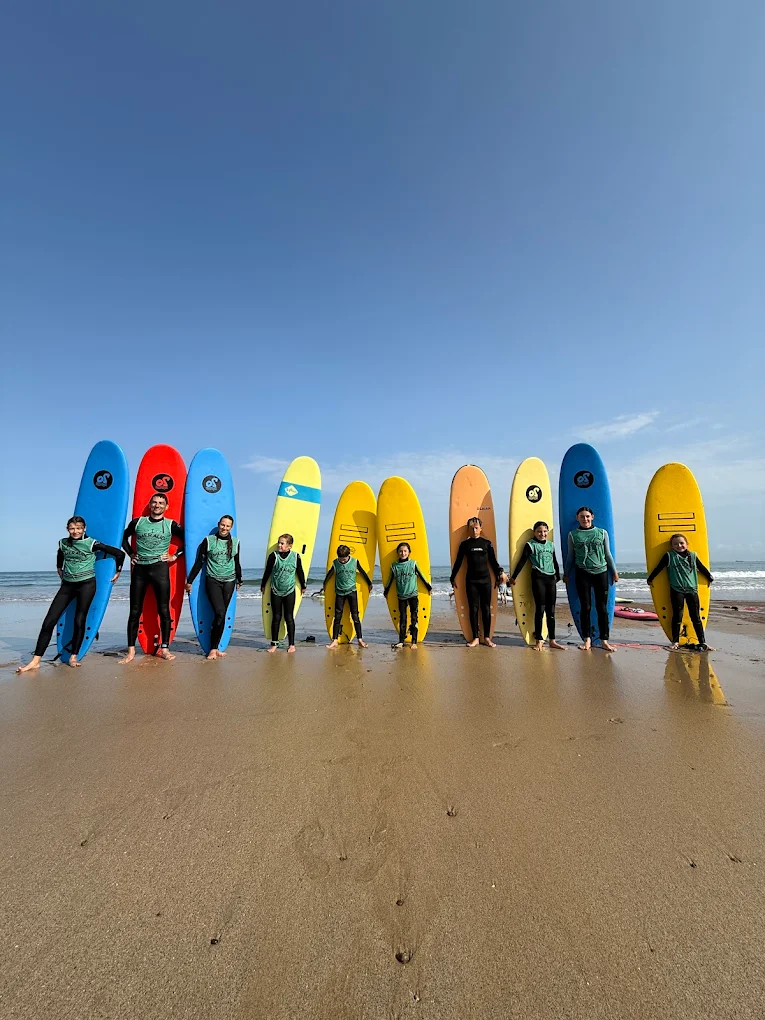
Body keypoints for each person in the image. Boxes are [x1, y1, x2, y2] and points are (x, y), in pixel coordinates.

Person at [17, 516, 125, 672]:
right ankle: (36, 661)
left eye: (79, 528)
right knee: (49, 621)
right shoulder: (63, 543)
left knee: (79, 620)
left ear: (84, 528)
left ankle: (73, 656)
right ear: (67, 529)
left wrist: (118, 571)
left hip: (87, 585)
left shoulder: (92, 544)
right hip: (67, 585)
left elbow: (119, 554)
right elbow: (60, 553)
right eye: (72, 528)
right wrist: (59, 568)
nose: (75, 531)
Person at [119, 493, 184, 663]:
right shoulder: (138, 522)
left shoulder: (171, 525)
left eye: (161, 503)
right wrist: (130, 553)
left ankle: (165, 648)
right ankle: (131, 651)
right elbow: (122, 537)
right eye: (154, 502)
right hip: (140, 570)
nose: (157, 505)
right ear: (149, 504)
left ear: (166, 507)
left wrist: (175, 556)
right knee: (135, 611)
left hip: (160, 569)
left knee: (164, 610)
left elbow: (189, 541)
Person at [184, 515, 242, 659]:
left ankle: (216, 648)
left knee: (221, 615)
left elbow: (237, 562)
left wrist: (239, 580)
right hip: (213, 581)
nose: (224, 528)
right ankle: (212, 649)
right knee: (220, 612)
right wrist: (189, 581)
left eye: (227, 526)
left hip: (229, 581)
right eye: (223, 525)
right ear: (218, 524)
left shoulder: (236, 542)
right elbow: (199, 562)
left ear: (231, 528)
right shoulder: (208, 541)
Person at [563, 506, 619, 653]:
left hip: (601, 572)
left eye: (587, 516)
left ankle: (604, 640)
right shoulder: (573, 535)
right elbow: (570, 557)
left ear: (592, 517)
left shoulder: (602, 533)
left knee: (602, 608)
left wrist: (614, 572)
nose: (585, 519)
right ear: (577, 518)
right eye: (582, 516)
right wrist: (566, 573)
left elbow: (608, 553)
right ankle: (587, 639)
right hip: (582, 573)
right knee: (585, 607)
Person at [647, 533, 714, 650]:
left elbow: (701, 567)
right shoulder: (669, 556)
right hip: (676, 590)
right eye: (675, 544)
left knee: (696, 617)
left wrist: (709, 577)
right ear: (672, 546)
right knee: (677, 616)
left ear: (687, 544)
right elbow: (659, 567)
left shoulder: (693, 556)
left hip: (692, 590)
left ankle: (703, 642)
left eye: (681, 543)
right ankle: (675, 642)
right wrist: (650, 579)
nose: (679, 545)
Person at [509, 520, 566, 651]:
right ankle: (539, 641)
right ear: (534, 532)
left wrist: (558, 576)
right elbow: (522, 561)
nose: (542, 534)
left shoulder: (551, 545)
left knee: (551, 611)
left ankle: (552, 640)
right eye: (539, 531)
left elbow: (555, 561)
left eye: (545, 531)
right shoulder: (530, 545)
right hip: (538, 578)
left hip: (551, 578)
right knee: (540, 609)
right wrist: (514, 577)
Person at [450, 517, 504, 648]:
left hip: (485, 580)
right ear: (469, 530)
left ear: (480, 528)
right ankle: (475, 638)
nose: (474, 530)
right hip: (471, 580)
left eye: (476, 528)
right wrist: (452, 577)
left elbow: (493, 562)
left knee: (486, 608)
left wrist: (499, 574)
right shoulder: (465, 545)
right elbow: (458, 562)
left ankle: (487, 637)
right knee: (473, 609)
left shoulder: (487, 544)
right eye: (472, 528)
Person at [319, 544, 373, 648]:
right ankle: (335, 640)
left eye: (344, 559)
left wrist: (369, 583)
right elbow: (330, 574)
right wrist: (324, 584)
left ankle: (360, 639)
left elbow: (362, 572)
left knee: (355, 616)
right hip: (339, 592)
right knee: (337, 616)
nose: (342, 561)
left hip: (351, 591)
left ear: (348, 555)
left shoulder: (354, 562)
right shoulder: (335, 563)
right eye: (340, 559)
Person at [261, 533, 306, 653]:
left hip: (289, 590)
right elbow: (267, 572)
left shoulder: (295, 556)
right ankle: (274, 644)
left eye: (282, 543)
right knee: (276, 617)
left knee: (289, 617)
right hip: (275, 590)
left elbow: (300, 572)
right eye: (279, 543)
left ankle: (291, 644)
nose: (279, 545)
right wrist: (263, 585)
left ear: (289, 546)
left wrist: (303, 586)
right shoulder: (273, 556)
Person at [383, 542, 432, 649]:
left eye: (405, 551)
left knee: (414, 617)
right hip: (401, 596)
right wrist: (386, 591)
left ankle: (414, 642)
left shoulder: (413, 564)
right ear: (398, 553)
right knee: (402, 618)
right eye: (400, 551)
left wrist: (428, 587)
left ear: (409, 552)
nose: (403, 553)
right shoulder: (394, 566)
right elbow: (390, 579)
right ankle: (401, 641)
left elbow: (421, 576)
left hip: (413, 595)